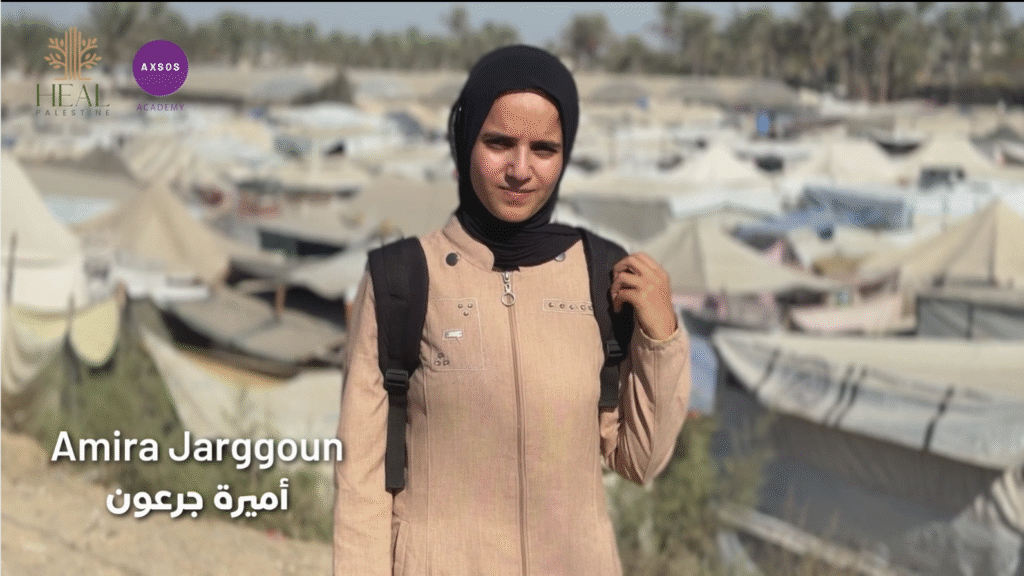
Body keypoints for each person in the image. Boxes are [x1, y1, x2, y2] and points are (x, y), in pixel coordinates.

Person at [333, 45, 691, 575]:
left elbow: (640, 460)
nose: (520, 170)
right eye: (499, 142)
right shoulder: (402, 279)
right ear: (464, 141)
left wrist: (662, 337)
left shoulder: (601, 274)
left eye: (543, 148)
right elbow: (360, 485)